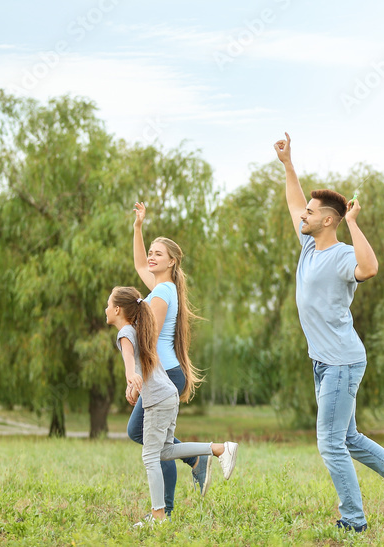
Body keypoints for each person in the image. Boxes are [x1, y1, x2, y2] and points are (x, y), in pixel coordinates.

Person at [273, 132, 384, 532]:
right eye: (305, 212)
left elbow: (371, 268)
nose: (302, 216)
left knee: (329, 442)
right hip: (325, 362)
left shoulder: (344, 256)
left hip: (342, 361)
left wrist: (355, 224)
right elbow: (294, 201)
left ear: (329, 220)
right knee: (349, 439)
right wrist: (289, 165)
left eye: (311, 213)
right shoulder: (309, 246)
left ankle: (354, 521)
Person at [106, 286, 238, 527]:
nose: (105, 309)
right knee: (164, 451)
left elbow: (128, 359)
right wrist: (134, 383)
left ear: (117, 309)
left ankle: (158, 516)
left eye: (108, 305)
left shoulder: (125, 332)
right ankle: (219, 449)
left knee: (150, 457)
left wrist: (130, 376)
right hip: (168, 395)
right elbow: (142, 363)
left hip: (158, 399)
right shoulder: (139, 329)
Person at [126, 202, 210, 518]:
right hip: (165, 373)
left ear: (171, 261)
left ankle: (169, 507)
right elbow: (137, 265)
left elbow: (148, 343)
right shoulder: (163, 286)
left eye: (158, 253)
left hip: (161, 373)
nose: (151, 256)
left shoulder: (162, 292)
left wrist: (136, 376)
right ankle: (195, 461)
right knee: (151, 439)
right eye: (151, 251)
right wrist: (138, 227)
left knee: (149, 440)